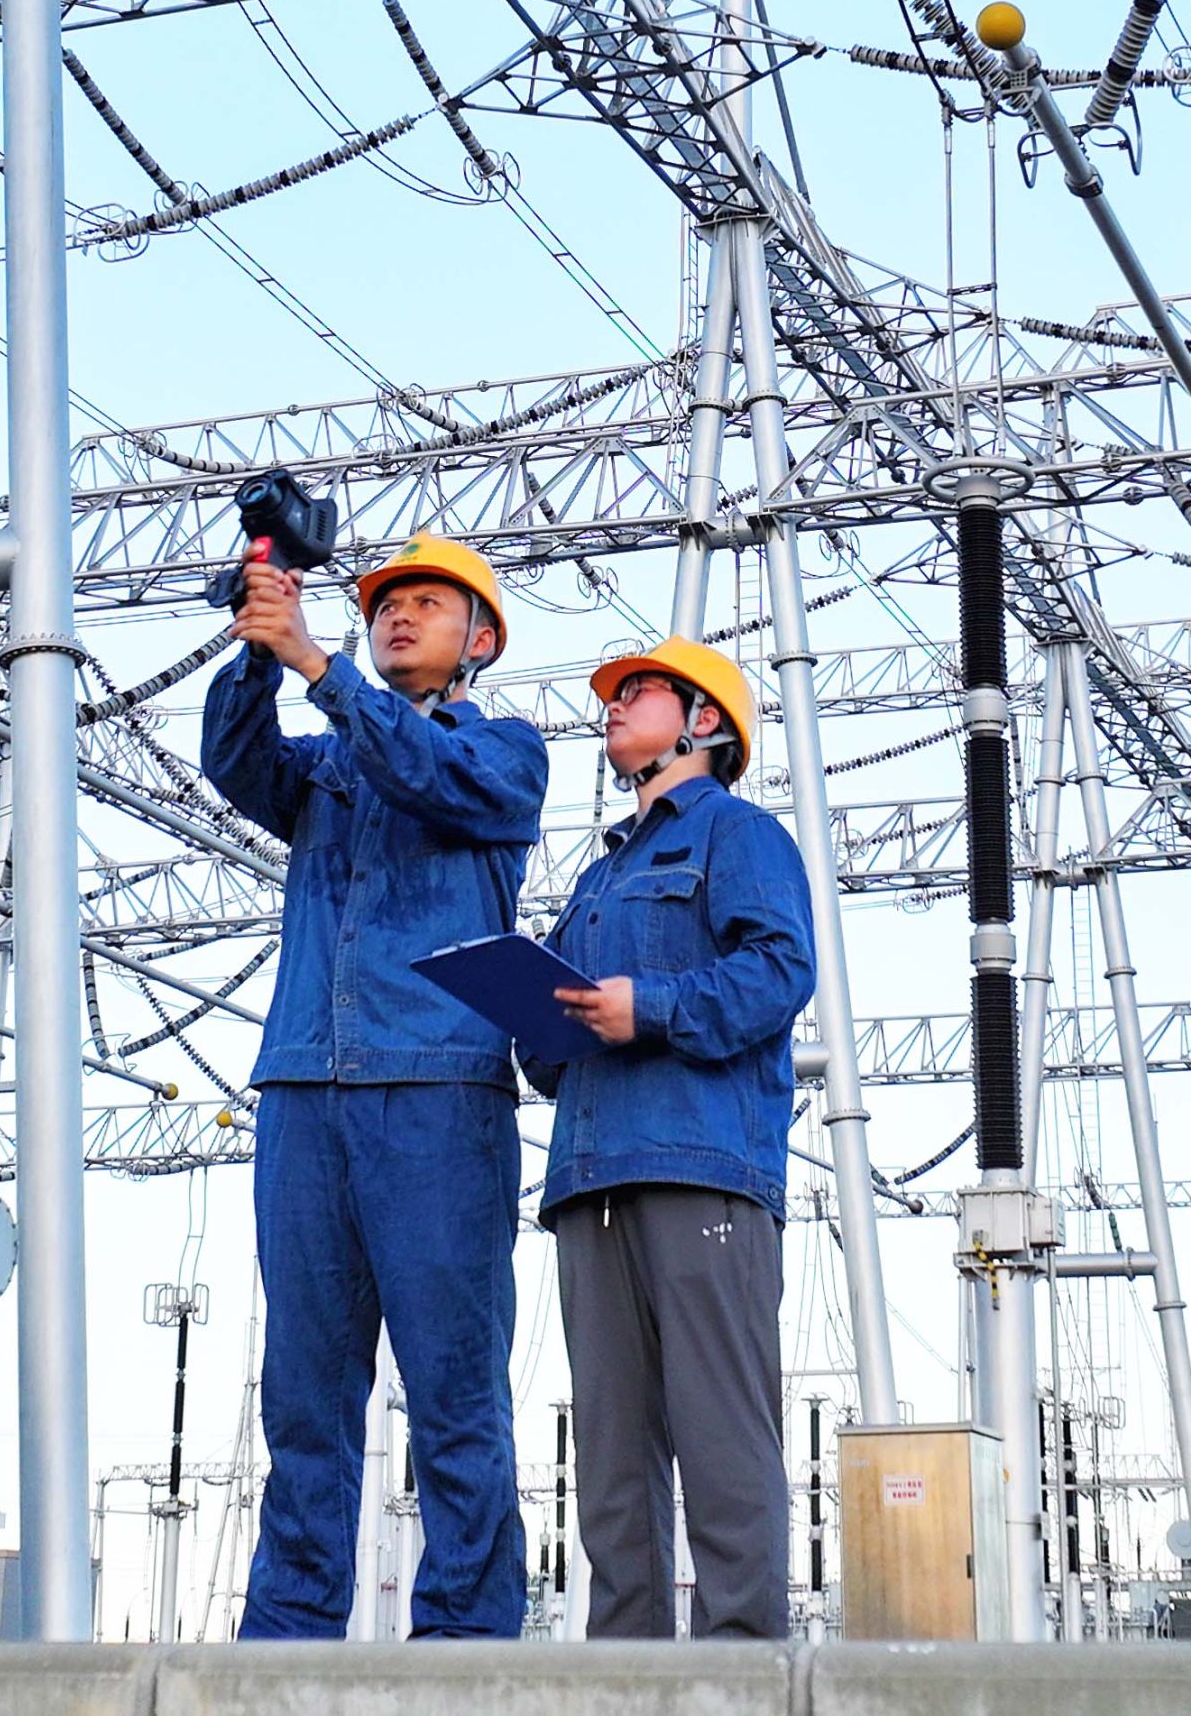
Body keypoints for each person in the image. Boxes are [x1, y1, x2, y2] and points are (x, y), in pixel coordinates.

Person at [203, 532, 544, 1640]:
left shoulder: (505, 752)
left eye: (428, 604)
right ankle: (286, 1645)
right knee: (304, 1398)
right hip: (306, 1085)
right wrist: (259, 646)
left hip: (439, 1096)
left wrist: (317, 663)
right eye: (383, 604)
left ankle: (467, 1650)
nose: (397, 615)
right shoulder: (331, 760)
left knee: (454, 1396)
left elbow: (429, 772)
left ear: (479, 640)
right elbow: (237, 761)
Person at [527, 636, 818, 1640]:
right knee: (608, 1465)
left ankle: (738, 1678)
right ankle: (629, 1680)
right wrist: (537, 1015)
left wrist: (647, 1005)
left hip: (701, 1171)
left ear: (706, 721)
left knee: (724, 1446)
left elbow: (780, 972)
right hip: (590, 1178)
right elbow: (557, 1037)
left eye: (638, 689)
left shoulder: (738, 836)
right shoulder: (599, 879)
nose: (612, 704)